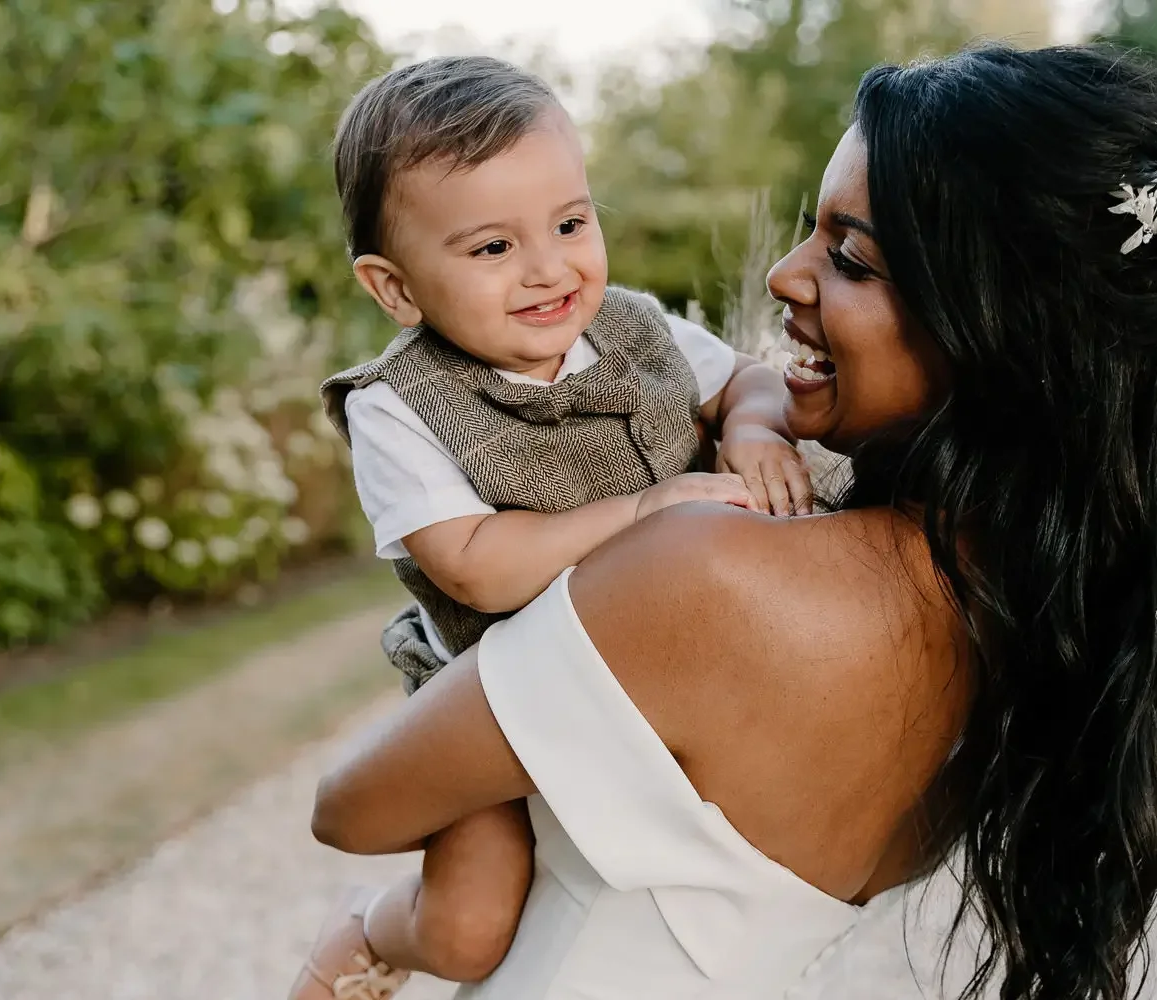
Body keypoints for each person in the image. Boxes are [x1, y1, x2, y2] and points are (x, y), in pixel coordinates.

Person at [309, 42, 1157, 1000]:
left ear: (1001, 330)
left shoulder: (711, 569)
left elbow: (350, 808)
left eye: (850, 257)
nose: (780, 274)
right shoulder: (1045, 636)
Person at [291, 56, 811, 999]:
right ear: (396, 288)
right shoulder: (396, 405)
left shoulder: (635, 327)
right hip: (496, 678)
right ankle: (368, 930)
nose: (547, 268)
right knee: (469, 927)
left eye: (571, 223)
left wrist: (752, 426)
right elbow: (478, 568)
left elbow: (749, 375)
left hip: (648, 662)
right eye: (491, 249)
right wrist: (645, 512)